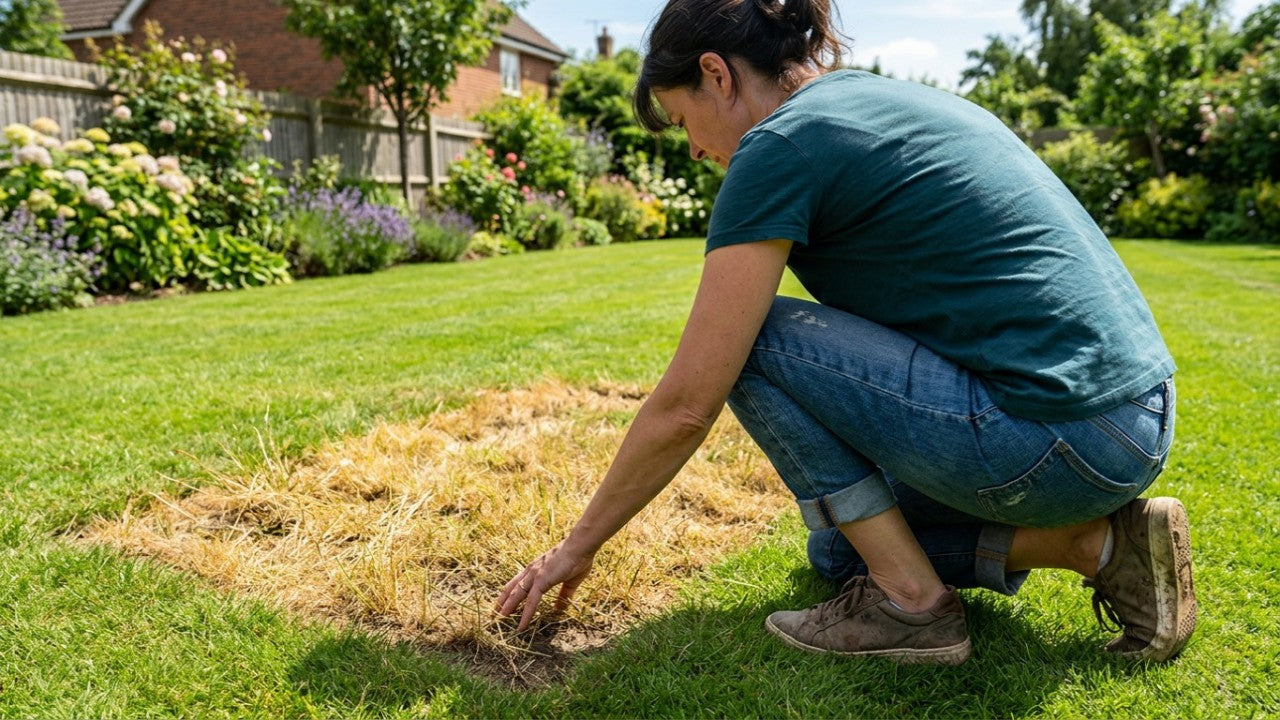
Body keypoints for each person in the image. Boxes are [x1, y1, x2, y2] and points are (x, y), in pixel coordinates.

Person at [494, 0, 1197, 665]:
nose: (695, 151)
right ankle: (1099, 546)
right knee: (837, 551)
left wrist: (576, 547)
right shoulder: (879, 99)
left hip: (1053, 436)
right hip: (1136, 420)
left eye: (682, 122)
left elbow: (687, 402)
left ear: (717, 74)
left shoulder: (777, 145)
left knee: (753, 342)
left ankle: (914, 605)